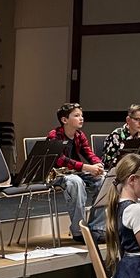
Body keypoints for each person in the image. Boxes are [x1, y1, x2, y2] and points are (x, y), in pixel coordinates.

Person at [46, 102, 105, 243]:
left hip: (76, 171)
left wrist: (97, 164)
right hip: (58, 174)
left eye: (82, 115)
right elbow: (60, 160)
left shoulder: (79, 135)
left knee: (104, 180)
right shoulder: (54, 135)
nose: (81, 118)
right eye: (77, 115)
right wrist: (86, 167)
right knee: (76, 182)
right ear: (64, 120)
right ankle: (78, 230)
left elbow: (89, 153)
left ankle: (97, 228)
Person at [101, 103, 140, 170]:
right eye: (137, 119)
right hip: (115, 171)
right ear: (128, 120)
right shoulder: (116, 135)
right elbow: (108, 162)